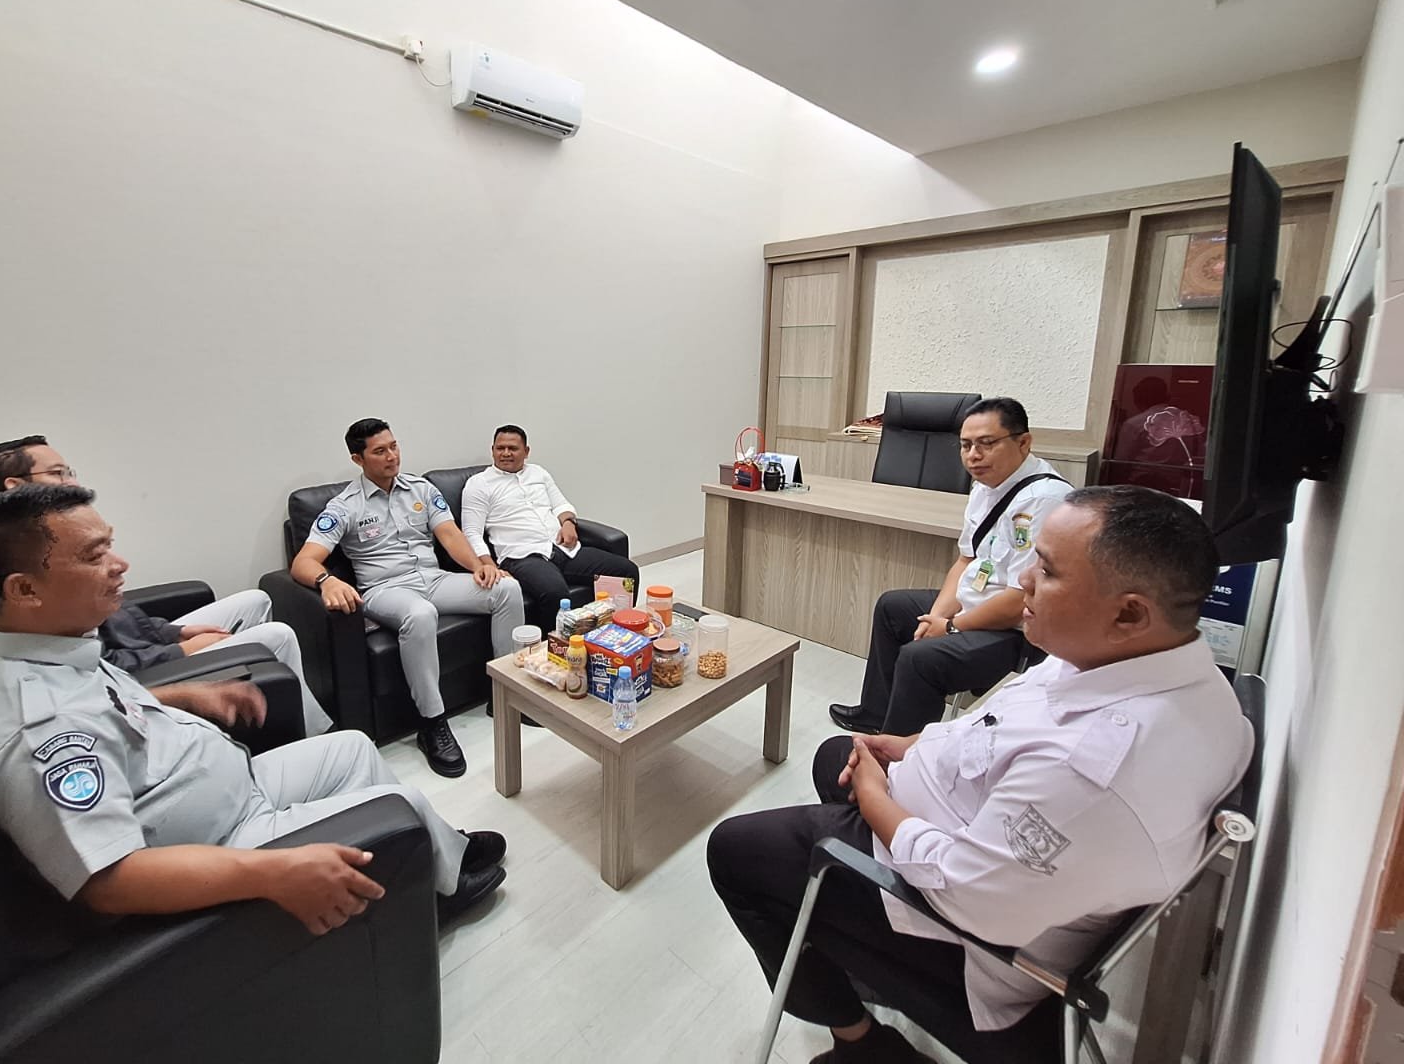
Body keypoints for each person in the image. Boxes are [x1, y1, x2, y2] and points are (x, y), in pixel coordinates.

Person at [707, 486, 1252, 1063]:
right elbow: (1005, 725)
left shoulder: (1094, 775)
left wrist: (875, 799)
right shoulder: (1144, 662)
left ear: (1129, 612)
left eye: (1047, 571)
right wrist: (912, 745)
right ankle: (847, 944)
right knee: (833, 756)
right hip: (971, 827)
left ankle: (863, 1044)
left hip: (959, 934)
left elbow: (964, 896)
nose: (1024, 581)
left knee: (735, 851)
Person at [0, 484, 507, 933]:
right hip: (221, 839)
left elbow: (98, 708)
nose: (120, 564)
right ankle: (437, 893)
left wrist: (179, 695)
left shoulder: (45, 646)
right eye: (95, 555)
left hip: (229, 787)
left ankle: (436, 859)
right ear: (24, 590)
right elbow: (107, 882)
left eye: (110, 545)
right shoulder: (35, 725)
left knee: (353, 748)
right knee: (401, 800)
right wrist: (272, 871)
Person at [0, 436, 332, 736]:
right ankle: (313, 731)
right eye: (57, 473)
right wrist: (181, 651)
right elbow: (95, 660)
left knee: (256, 600)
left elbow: (119, 613)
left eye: (69, 472)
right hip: (140, 668)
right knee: (276, 636)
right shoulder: (23, 563)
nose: (71, 483)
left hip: (143, 645)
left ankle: (281, 707)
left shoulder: (60, 536)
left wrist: (176, 632)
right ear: (14, 486)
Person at [289, 419, 524, 778]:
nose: (392, 456)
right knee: (421, 614)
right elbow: (303, 562)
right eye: (380, 451)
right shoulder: (344, 506)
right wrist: (327, 581)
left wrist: (481, 565)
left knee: (506, 589)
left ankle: (506, 694)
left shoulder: (421, 489)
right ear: (358, 459)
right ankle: (432, 724)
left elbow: (449, 534)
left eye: (394, 446)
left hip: (434, 579)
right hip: (386, 590)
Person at [828, 398, 1070, 736]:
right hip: (977, 603)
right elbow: (966, 560)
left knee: (919, 656)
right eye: (966, 445)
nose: (973, 455)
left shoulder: (1043, 500)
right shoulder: (984, 486)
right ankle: (875, 714)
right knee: (893, 607)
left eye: (987, 443)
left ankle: (900, 751)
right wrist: (936, 618)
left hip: (1016, 630)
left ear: (1023, 442)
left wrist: (951, 627)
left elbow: (1020, 599)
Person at [459, 424, 639, 636]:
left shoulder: (538, 473)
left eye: (513, 448)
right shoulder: (479, 484)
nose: (506, 453)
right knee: (555, 593)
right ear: (492, 450)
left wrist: (568, 523)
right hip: (522, 557)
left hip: (563, 549)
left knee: (627, 571)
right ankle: (555, 650)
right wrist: (490, 565)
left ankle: (620, 633)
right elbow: (471, 533)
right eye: (500, 448)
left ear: (526, 451)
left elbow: (561, 505)